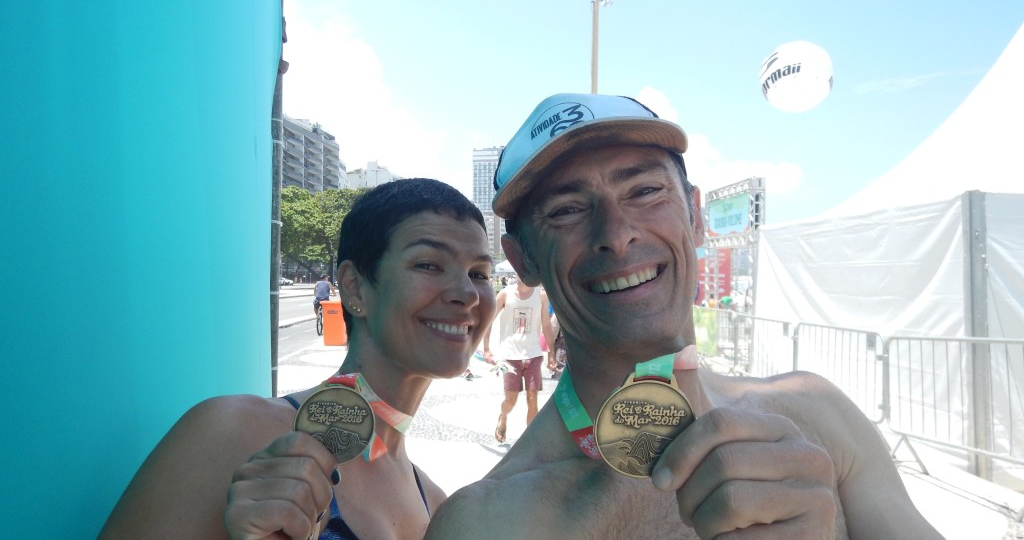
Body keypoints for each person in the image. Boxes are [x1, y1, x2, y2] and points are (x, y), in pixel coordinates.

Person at [424, 93, 942, 539]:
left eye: (645, 191)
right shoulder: (487, 522)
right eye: (567, 210)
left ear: (694, 216)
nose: (617, 233)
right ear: (524, 261)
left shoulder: (818, 414)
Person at [100, 178, 496, 540]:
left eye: (480, 273)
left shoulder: (436, 504)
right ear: (355, 286)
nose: (467, 292)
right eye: (428, 264)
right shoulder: (234, 432)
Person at [482, 279, 555, 443]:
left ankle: (530, 441)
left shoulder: (541, 295)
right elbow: (487, 320)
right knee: (511, 401)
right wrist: (486, 349)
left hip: (533, 354)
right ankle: (503, 417)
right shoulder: (505, 294)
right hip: (510, 357)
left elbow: (546, 325)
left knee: (532, 399)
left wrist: (551, 353)